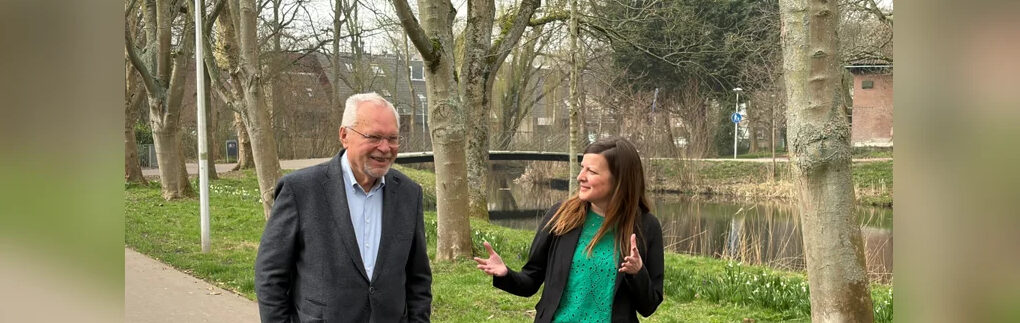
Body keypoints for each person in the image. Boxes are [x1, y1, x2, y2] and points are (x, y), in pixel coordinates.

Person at [255, 92, 432, 322]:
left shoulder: (409, 194)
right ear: (344, 135)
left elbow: (418, 279)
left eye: (393, 138)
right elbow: (270, 275)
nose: (385, 147)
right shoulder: (300, 190)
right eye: (374, 136)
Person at [474, 137, 664, 322]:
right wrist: (505, 273)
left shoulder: (646, 227)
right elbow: (530, 280)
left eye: (592, 171)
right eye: (582, 168)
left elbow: (648, 306)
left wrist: (638, 272)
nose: (580, 177)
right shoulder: (561, 216)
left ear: (619, 180)